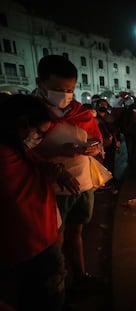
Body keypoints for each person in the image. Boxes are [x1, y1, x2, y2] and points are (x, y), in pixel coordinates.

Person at [0, 94, 79, 310]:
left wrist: (57, 171)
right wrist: (49, 176)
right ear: (23, 125)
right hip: (25, 247)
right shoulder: (5, 155)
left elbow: (37, 163)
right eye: (40, 133)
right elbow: (21, 192)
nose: (41, 140)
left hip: (41, 239)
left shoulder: (19, 148)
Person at [33, 55, 103, 289]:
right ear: (40, 82)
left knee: (77, 234)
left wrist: (95, 147)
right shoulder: (30, 113)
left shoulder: (80, 111)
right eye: (57, 89)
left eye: (70, 89)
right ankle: (58, 287)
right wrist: (57, 152)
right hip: (52, 187)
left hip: (83, 183)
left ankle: (81, 278)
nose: (64, 95)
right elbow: (23, 152)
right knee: (56, 240)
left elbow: (94, 137)